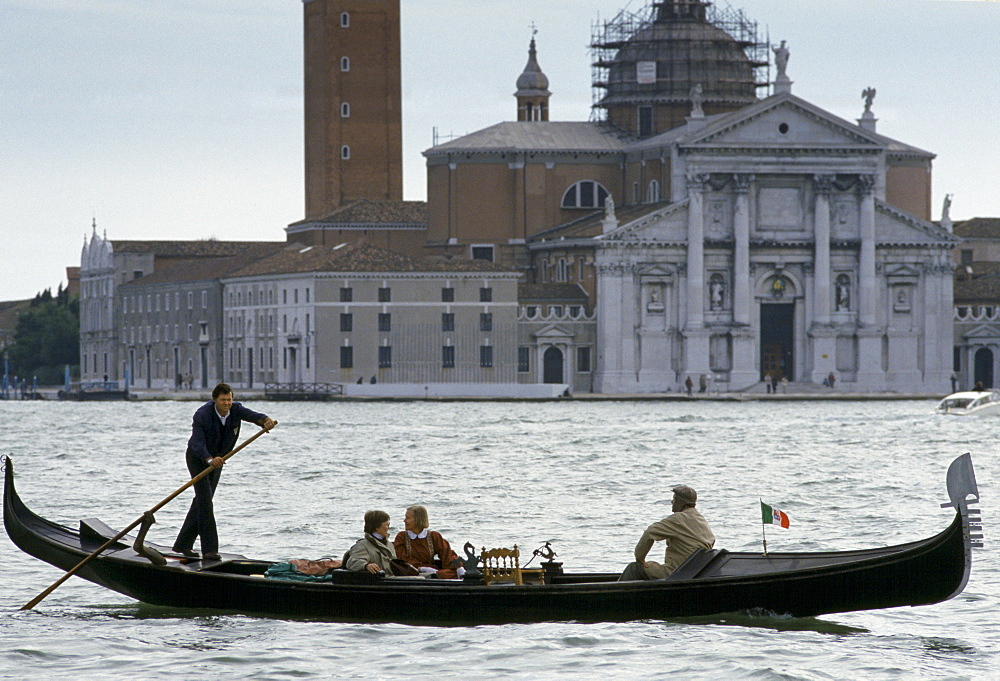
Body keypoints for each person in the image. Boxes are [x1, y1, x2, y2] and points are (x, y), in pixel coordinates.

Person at [172, 382, 277, 560]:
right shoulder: (202, 414)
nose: (226, 403)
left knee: (202, 500)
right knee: (205, 502)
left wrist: (265, 421)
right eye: (223, 400)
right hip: (199, 459)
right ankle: (210, 550)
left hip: (219, 460)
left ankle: (183, 544)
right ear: (215, 400)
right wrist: (209, 459)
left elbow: (256, 417)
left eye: (229, 399)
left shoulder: (236, 409)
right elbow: (197, 443)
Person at [619, 485, 715, 581]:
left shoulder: (678, 519)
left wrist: (640, 558)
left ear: (681, 502)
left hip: (676, 572)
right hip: (695, 572)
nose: (672, 502)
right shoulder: (701, 520)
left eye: (674, 499)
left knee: (634, 568)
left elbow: (650, 532)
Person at [393, 505, 465, 579]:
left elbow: (447, 554)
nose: (404, 521)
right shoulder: (402, 537)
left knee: (447, 574)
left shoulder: (433, 536)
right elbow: (402, 559)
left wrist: (458, 567)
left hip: (432, 571)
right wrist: (421, 568)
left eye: (407, 518)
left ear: (417, 519)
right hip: (411, 572)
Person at [345, 510, 396, 574]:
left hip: (392, 580)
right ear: (377, 527)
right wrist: (366, 566)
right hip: (377, 581)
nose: (388, 528)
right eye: (387, 525)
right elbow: (352, 562)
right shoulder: (362, 546)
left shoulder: (390, 545)